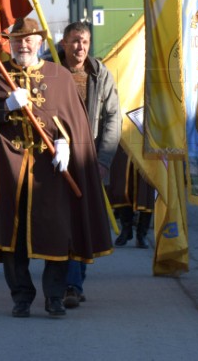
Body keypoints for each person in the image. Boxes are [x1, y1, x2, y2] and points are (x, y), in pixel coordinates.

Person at [0, 17, 113, 318]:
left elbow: (74, 121)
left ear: (39, 42)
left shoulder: (59, 76)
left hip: (51, 171)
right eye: (18, 39)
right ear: (9, 43)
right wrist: (4, 108)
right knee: (13, 238)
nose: (23, 44)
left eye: (29, 39)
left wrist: (66, 143)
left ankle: (55, 296)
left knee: (58, 233)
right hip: (9, 170)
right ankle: (21, 296)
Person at [57, 22, 120, 309]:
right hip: (54, 159)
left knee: (82, 221)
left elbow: (112, 119)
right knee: (62, 223)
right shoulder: (51, 71)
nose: (80, 47)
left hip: (87, 159)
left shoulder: (99, 74)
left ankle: (73, 282)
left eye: (84, 42)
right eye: (74, 41)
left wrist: (103, 160)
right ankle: (67, 282)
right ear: (63, 43)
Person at [108, 147, 154, 249]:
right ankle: (126, 229)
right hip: (124, 143)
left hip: (148, 143)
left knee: (145, 190)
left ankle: (141, 234)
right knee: (121, 187)